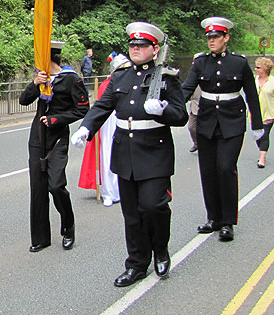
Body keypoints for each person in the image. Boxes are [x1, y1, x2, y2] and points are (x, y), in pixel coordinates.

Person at [72, 22, 187, 287]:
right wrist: (86, 128)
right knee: (132, 213)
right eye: (132, 45)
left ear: (155, 49)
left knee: (154, 206)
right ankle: (136, 264)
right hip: (125, 151)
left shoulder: (167, 78)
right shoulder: (121, 77)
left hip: (155, 151)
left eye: (142, 45)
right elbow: (102, 105)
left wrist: (163, 110)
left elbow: (181, 116)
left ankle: (160, 248)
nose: (136, 49)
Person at [182, 17, 264, 242]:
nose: (211, 41)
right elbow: (186, 89)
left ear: (226, 38)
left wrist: (257, 125)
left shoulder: (239, 63)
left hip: (232, 121)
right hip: (207, 121)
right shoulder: (200, 62)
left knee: (225, 168)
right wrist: (168, 105)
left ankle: (228, 221)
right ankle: (214, 218)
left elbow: (252, 96)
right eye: (209, 37)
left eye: (216, 37)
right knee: (208, 171)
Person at [19, 40, 89, 252]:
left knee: (56, 185)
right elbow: (23, 100)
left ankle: (68, 226)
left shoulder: (72, 79)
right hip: (37, 139)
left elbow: (82, 109)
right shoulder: (42, 79)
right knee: (38, 189)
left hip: (57, 139)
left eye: (40, 60)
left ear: (50, 59)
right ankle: (41, 238)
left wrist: (57, 119)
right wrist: (34, 83)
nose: (36, 65)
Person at [78, 53, 131, 206]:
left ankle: (123, 190)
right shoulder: (106, 85)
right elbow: (101, 107)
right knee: (108, 157)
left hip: (126, 122)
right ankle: (109, 192)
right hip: (109, 123)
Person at [253, 57, 274, 168]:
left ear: (265, 69)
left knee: (264, 134)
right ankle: (262, 149)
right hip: (255, 113)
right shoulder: (254, 80)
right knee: (257, 136)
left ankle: (262, 158)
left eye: (258, 67)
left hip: (269, 113)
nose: (256, 69)